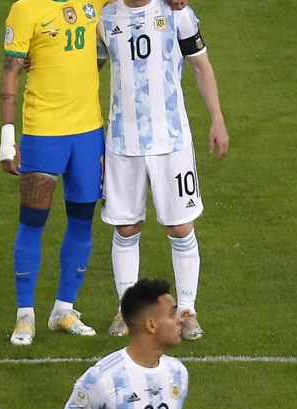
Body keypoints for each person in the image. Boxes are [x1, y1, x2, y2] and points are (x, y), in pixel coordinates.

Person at [0, 0, 190, 346]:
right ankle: (24, 315)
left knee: (81, 220)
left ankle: (63, 310)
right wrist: (6, 136)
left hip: (88, 133)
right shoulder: (25, 8)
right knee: (32, 221)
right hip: (42, 129)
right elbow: (11, 68)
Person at [96, 0, 229, 341]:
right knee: (127, 227)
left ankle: (186, 310)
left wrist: (217, 118)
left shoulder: (176, 12)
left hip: (171, 139)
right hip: (122, 140)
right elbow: (87, 67)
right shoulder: (105, 16)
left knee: (181, 226)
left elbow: (201, 66)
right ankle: (127, 310)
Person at [57, 278, 188, 409]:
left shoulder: (177, 372)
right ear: (151, 325)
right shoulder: (102, 378)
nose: (180, 320)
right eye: (172, 314)